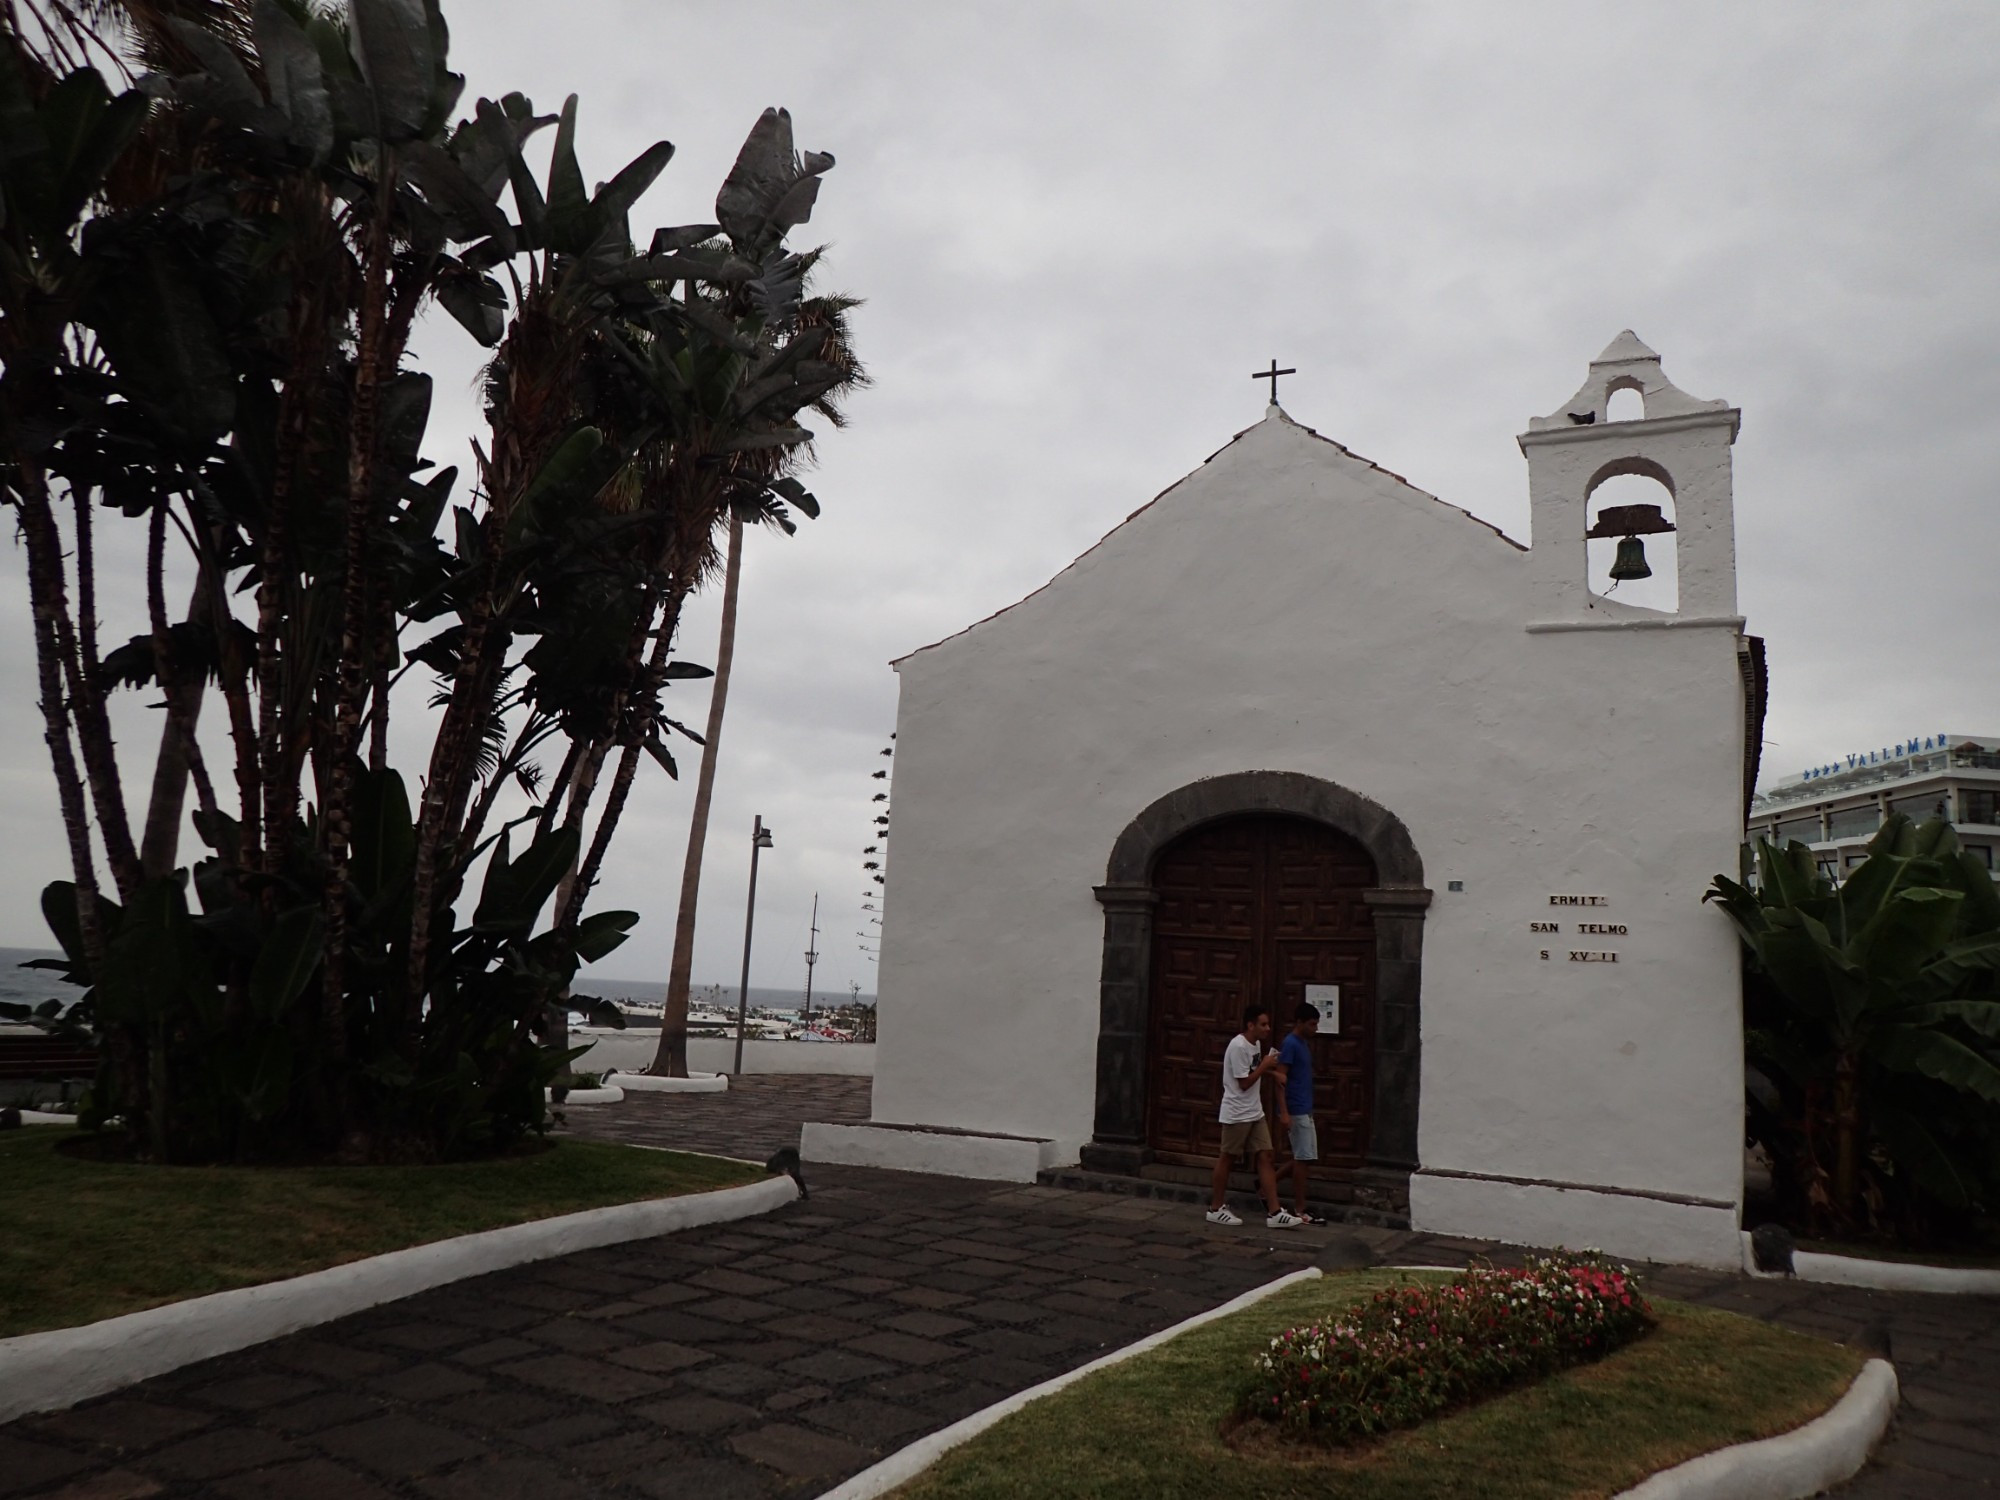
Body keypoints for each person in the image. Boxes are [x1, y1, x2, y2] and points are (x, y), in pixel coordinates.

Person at [1205, 1003, 1304, 1229]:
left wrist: (1271, 1073)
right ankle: (1215, 1208)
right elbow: (1244, 1082)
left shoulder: (1256, 1044)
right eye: (1263, 1024)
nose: (1268, 1029)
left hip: (1254, 1110)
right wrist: (1266, 1066)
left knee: (1266, 1156)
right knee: (1227, 1157)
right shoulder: (1238, 1046)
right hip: (1237, 1112)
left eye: (1267, 1024)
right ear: (1250, 1025)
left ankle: (1275, 1212)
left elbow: (1254, 1069)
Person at [1273, 1001, 1322, 1224]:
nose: (1315, 1029)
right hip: (1296, 1108)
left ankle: (1267, 1184)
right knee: (1303, 1158)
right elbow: (1280, 1079)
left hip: (1304, 1107)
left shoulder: (1302, 1043)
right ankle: (1299, 1208)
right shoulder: (1291, 1044)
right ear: (1300, 1022)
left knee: (1306, 1156)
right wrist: (1284, 1112)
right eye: (1312, 1024)